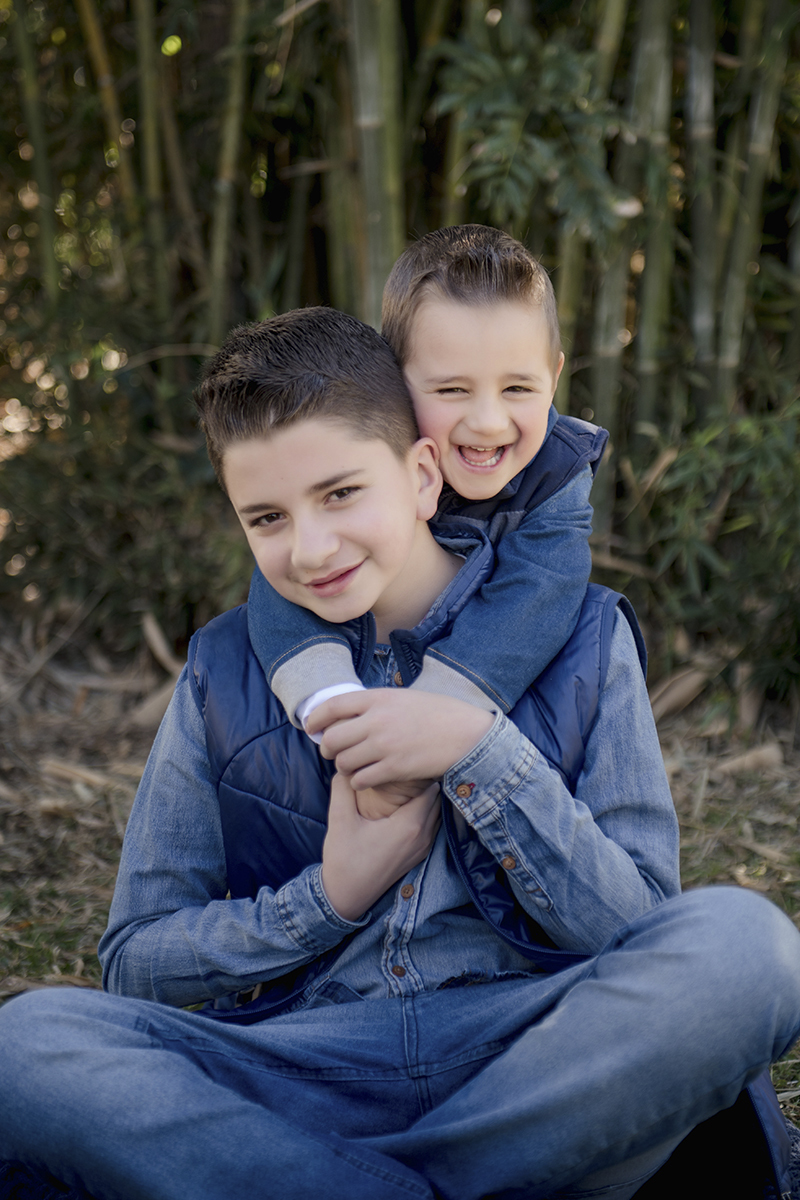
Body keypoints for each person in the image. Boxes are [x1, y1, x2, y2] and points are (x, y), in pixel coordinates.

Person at [0, 307, 799, 1200]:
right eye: (266, 517)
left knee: (748, 947)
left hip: (538, 1060)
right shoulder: (222, 670)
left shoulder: (586, 637)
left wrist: (481, 751)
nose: (311, 548)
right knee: (24, 1047)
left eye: (341, 493)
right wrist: (327, 899)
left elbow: (641, 924)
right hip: (299, 1074)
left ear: (421, 476)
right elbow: (135, 962)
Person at [245, 227, 607, 815]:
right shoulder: (368, 454)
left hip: (467, 718)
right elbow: (297, 560)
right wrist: (326, 697)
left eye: (518, 387)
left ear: (556, 376)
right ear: (395, 377)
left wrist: (436, 710)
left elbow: (539, 593)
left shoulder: (556, 473)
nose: (488, 422)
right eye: (452, 389)